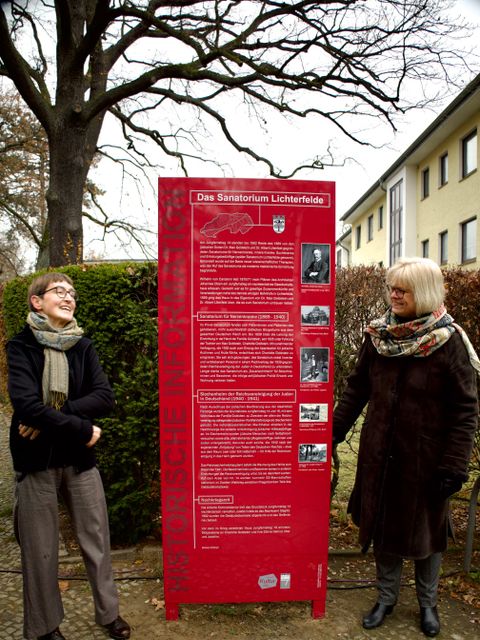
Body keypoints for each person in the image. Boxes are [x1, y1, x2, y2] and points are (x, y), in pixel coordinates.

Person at [332, 257, 479, 638]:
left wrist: (453, 466)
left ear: (425, 292)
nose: (394, 294)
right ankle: (386, 598)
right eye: (392, 287)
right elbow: (356, 389)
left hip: (426, 461)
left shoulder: (449, 342)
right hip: (379, 456)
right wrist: (333, 430)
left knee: (426, 536)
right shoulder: (377, 336)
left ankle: (429, 605)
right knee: (384, 529)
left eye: (404, 288)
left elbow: (465, 410)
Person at [6, 273, 131, 640]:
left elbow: (104, 398)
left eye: (73, 294)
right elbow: (25, 405)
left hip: (79, 461)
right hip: (37, 461)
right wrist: (80, 426)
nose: (69, 297)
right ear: (36, 301)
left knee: (96, 539)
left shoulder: (83, 347)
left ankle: (109, 615)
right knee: (40, 549)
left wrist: (52, 418)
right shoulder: (21, 346)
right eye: (59, 291)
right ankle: (45, 628)